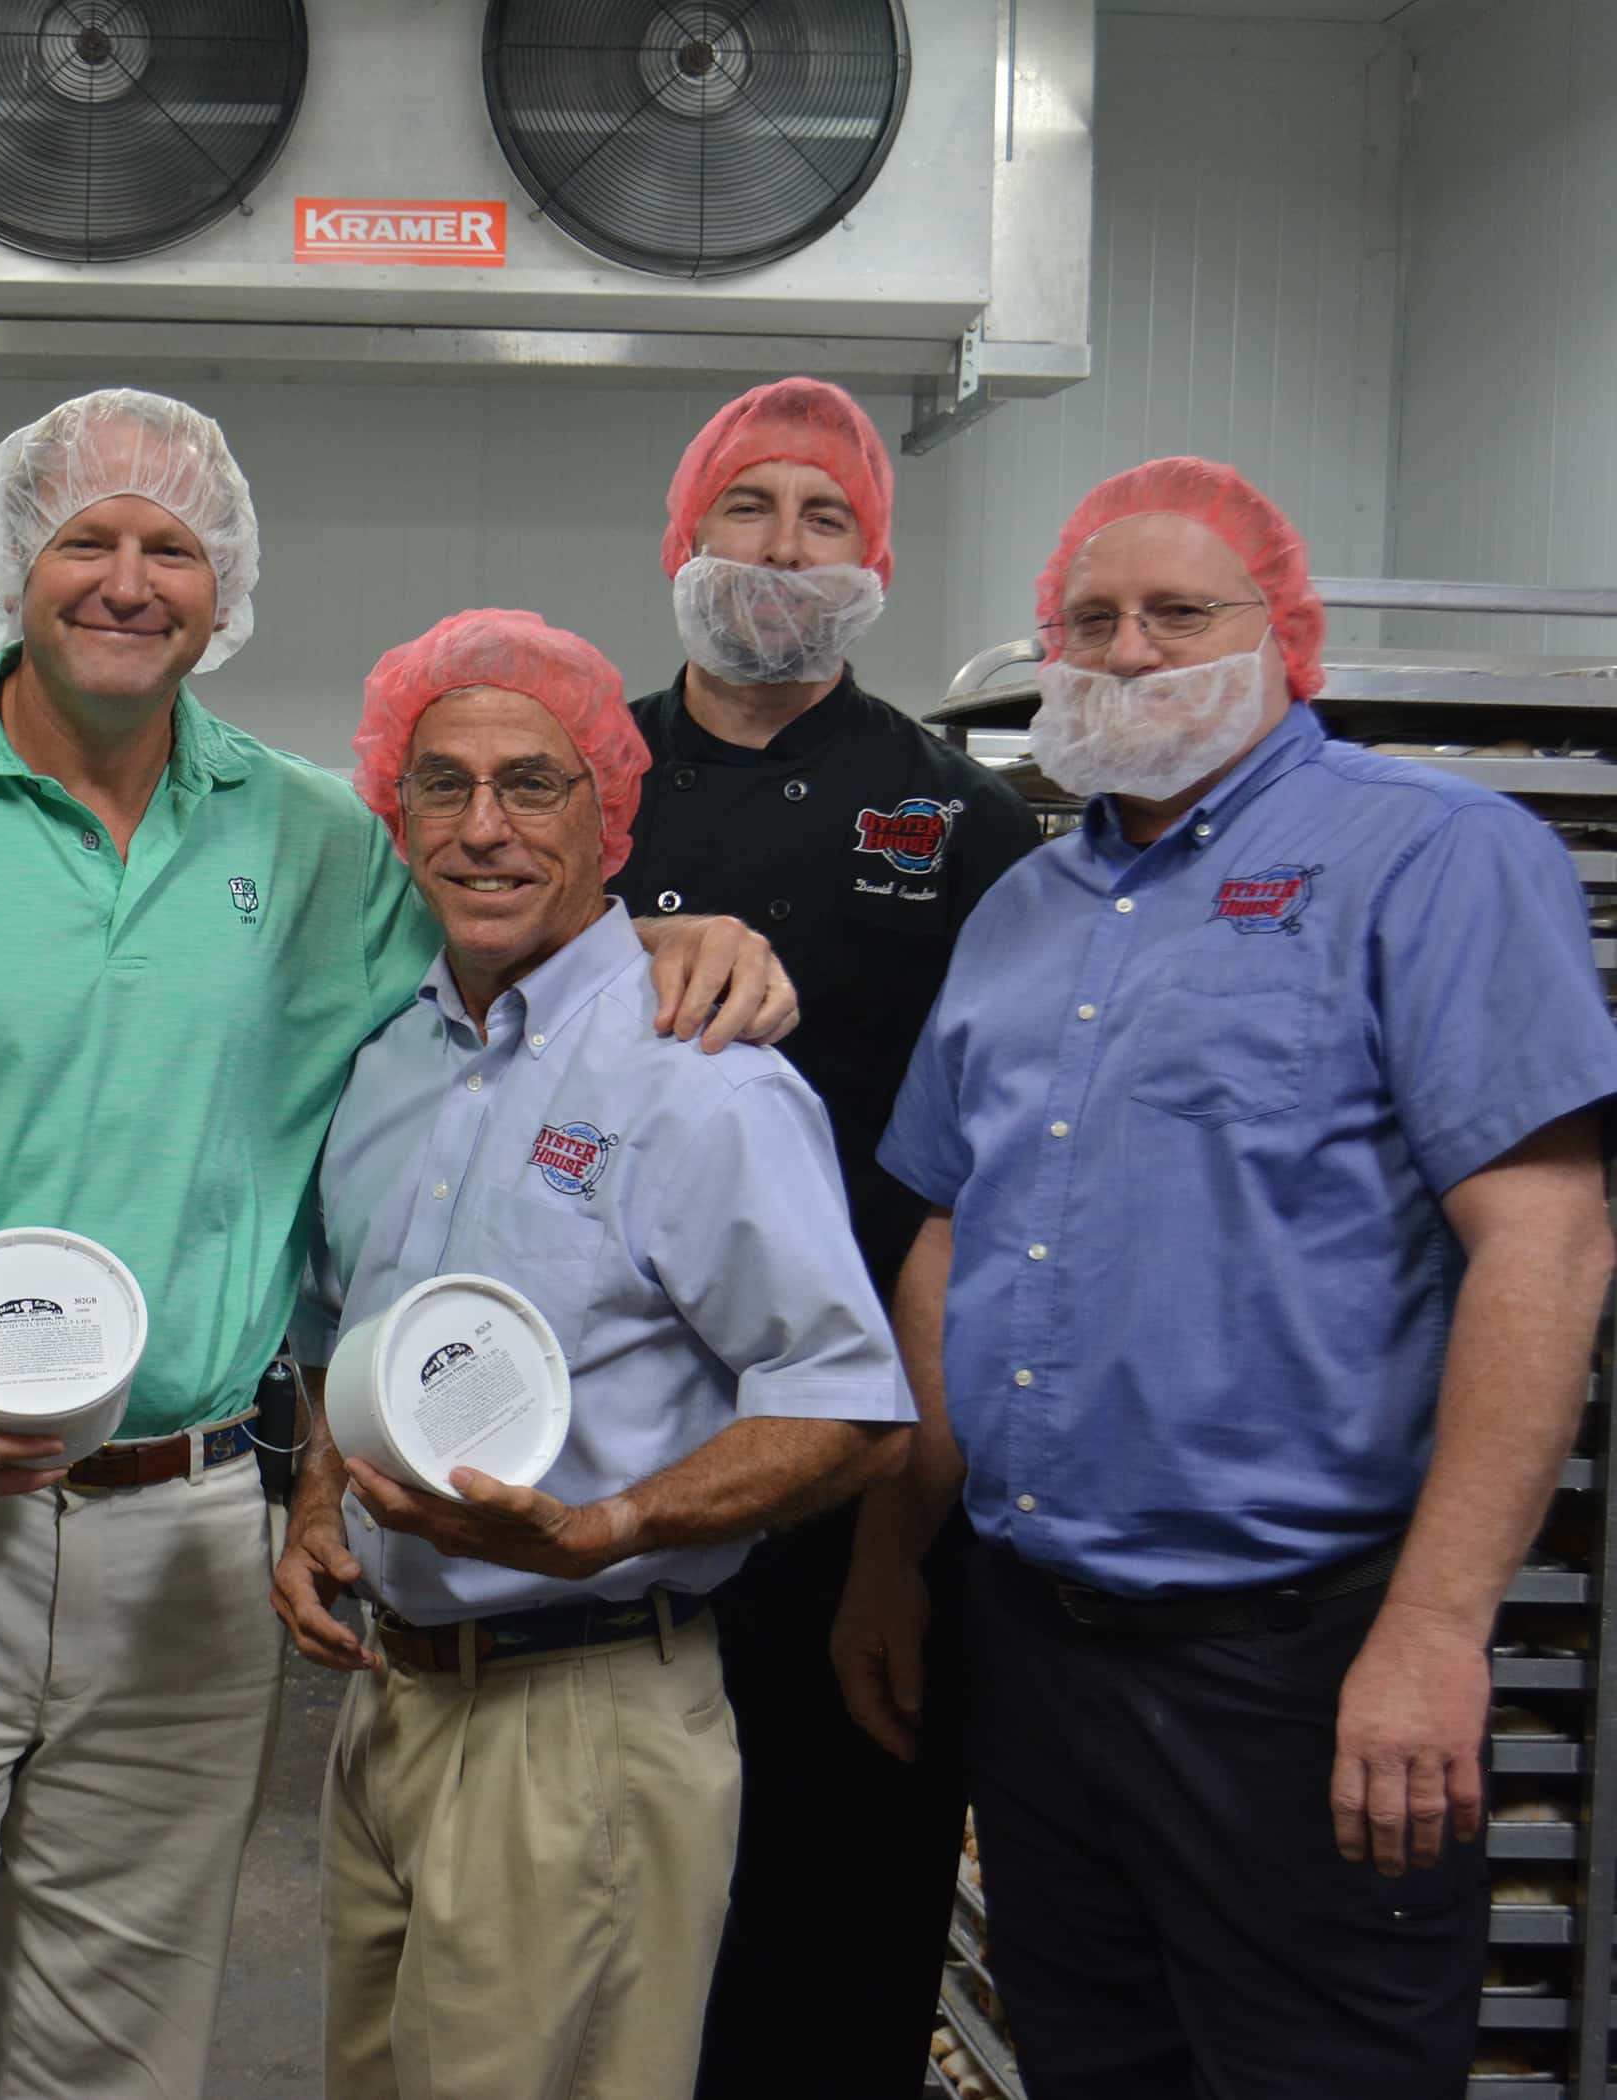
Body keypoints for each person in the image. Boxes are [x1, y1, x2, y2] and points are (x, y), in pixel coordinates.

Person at [0, 389, 797, 2100]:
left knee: (115, 2060)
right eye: (84, 539)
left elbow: (521, 897)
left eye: (168, 545)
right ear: (10, 567)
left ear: (224, 584)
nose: (126, 578)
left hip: (174, 1539)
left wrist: (681, 925)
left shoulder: (318, 840)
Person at [836, 457, 1617, 2099]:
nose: (1127, 651)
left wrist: (1434, 1632)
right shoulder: (1024, 910)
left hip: (1300, 1663)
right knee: (1093, 2066)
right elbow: (948, 1237)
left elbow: (1545, 1241)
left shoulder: (1435, 859)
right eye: (1090, 619)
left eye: (1178, 614)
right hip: (1039, 1656)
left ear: (1289, 637)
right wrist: (892, 1551)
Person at [277, 608, 912, 2100]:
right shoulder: (386, 1066)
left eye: (531, 785)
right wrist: (320, 1498)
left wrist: (607, 1525)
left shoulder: (699, 1081)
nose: (482, 828)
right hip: (392, 1705)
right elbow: (336, 1336)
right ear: (396, 809)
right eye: (441, 784)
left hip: (582, 1715)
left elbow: (846, 1406)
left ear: (607, 814)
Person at [608, 376, 1038, 2098]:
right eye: (746, 508)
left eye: (824, 517)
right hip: (611, 1434)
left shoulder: (962, 823)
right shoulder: (582, 778)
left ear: (874, 560)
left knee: (839, 1906)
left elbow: (987, 1188)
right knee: (613, 1893)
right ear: (681, 539)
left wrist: (900, 1518)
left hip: (869, 1455)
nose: (781, 548)